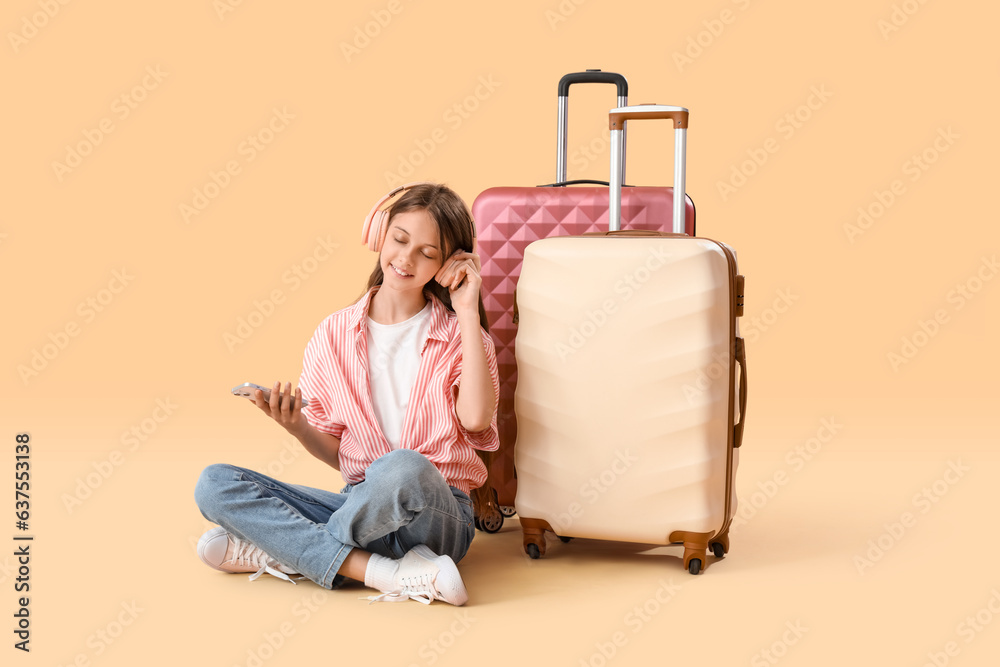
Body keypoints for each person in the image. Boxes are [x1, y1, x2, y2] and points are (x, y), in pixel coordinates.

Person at [193, 182, 500, 606]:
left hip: (438, 515)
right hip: (360, 505)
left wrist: (467, 309)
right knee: (215, 484)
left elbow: (477, 419)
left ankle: (286, 551)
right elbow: (341, 456)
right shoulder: (333, 333)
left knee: (402, 469)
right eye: (400, 240)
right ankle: (385, 572)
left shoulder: (462, 337)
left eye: (428, 253)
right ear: (379, 233)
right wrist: (297, 425)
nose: (406, 259)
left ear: (448, 264)